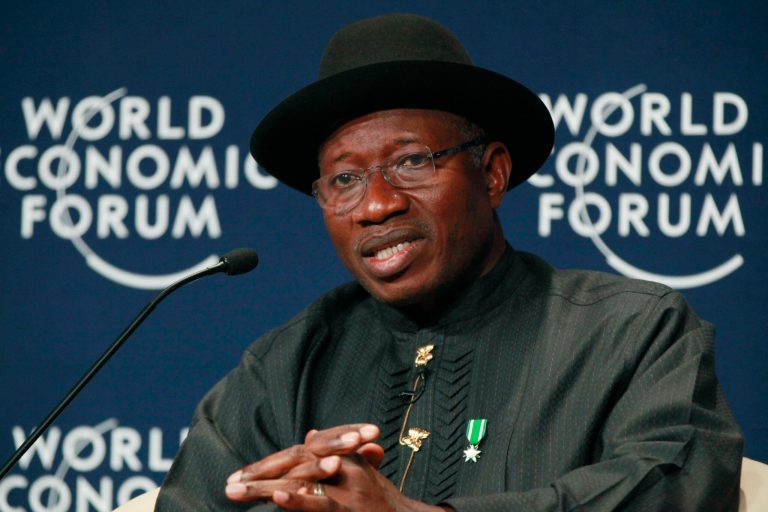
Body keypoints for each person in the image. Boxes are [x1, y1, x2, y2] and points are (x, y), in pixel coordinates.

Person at [156, 13, 743, 511]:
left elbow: (675, 485)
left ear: (491, 173)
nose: (377, 205)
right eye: (344, 179)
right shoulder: (284, 367)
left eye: (412, 162)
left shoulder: (630, 332)